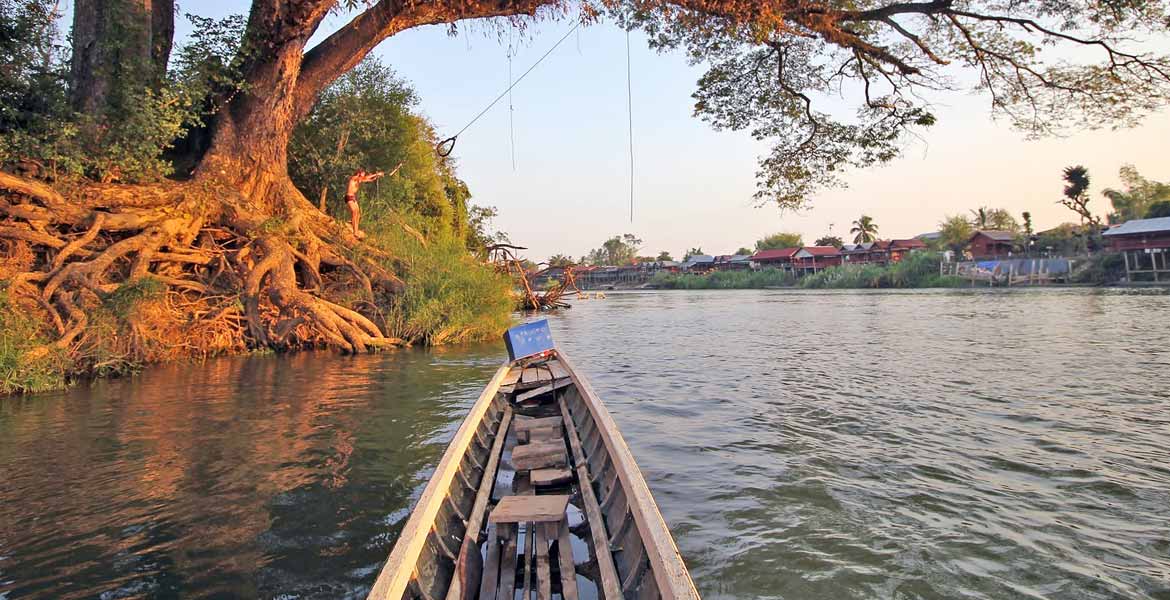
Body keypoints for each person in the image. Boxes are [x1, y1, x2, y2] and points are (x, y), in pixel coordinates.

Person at [345, 169, 384, 239]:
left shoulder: (359, 179)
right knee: (354, 212)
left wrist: (375, 178)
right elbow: (364, 178)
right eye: (363, 173)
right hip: (349, 197)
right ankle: (354, 231)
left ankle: (355, 231)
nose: (364, 174)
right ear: (359, 173)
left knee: (358, 214)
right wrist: (376, 174)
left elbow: (367, 179)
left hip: (353, 198)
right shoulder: (354, 178)